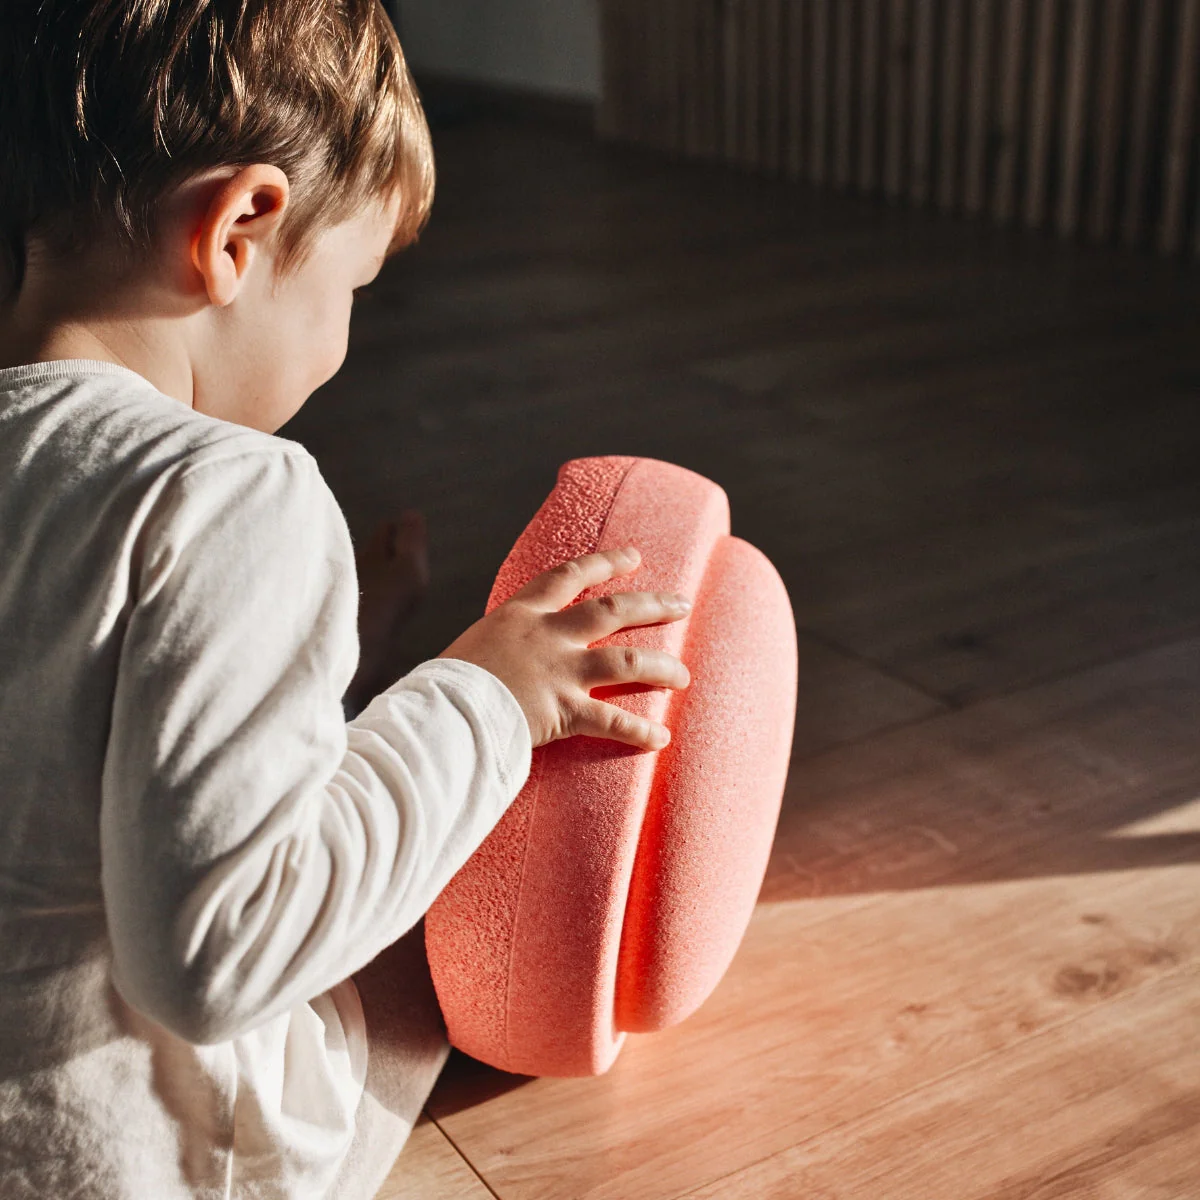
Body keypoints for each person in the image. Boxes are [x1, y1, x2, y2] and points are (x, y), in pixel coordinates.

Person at [0, 3, 693, 1198]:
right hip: (120, 1158)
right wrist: (484, 697)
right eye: (355, 286)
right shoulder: (226, 492)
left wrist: (323, 654)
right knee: (428, 926)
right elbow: (218, 954)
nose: (344, 337)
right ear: (239, 230)